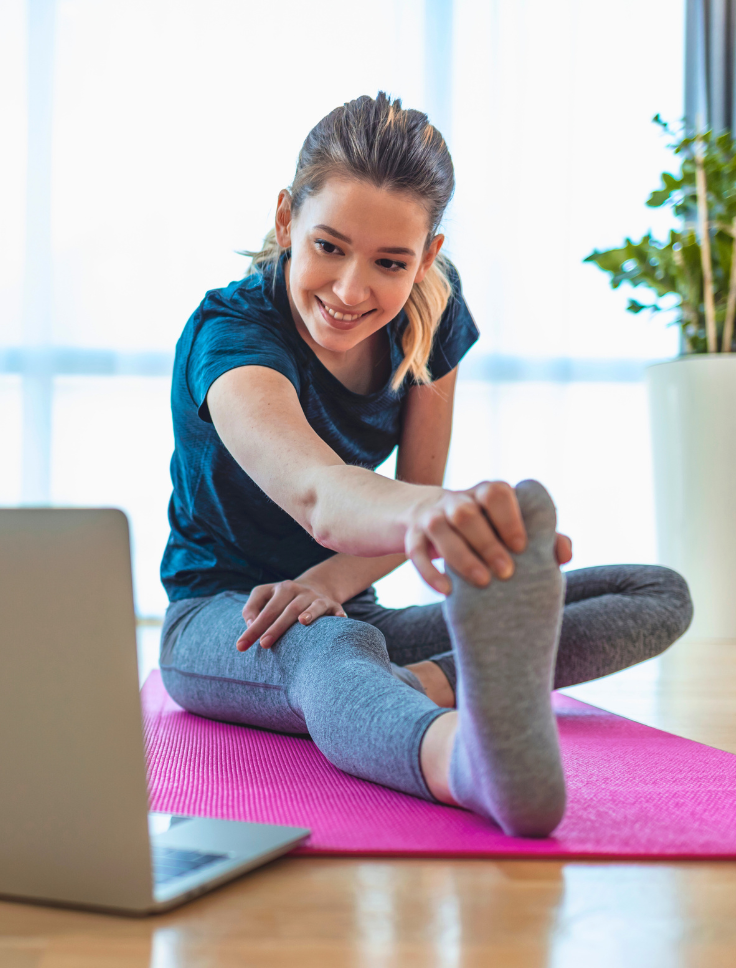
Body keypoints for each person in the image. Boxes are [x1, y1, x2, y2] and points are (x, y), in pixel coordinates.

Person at [158, 93, 692, 838]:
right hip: (225, 617)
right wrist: (433, 516)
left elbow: (412, 488)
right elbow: (320, 493)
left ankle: (416, 687)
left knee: (655, 591)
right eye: (329, 247)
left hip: (351, 602)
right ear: (287, 220)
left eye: (389, 263)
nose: (351, 290)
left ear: (429, 256)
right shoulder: (231, 335)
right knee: (327, 647)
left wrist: (339, 576)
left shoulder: (430, 310)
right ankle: (463, 761)